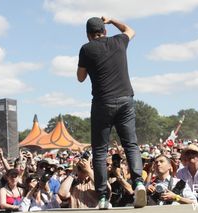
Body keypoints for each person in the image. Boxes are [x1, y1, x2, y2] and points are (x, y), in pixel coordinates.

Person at [77, 16, 146, 209]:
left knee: (100, 151)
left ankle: (103, 198)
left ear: (88, 35)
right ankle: (139, 183)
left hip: (102, 103)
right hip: (125, 99)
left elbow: (80, 78)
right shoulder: (119, 41)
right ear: (105, 31)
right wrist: (112, 20)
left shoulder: (86, 48)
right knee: (130, 145)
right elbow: (130, 30)